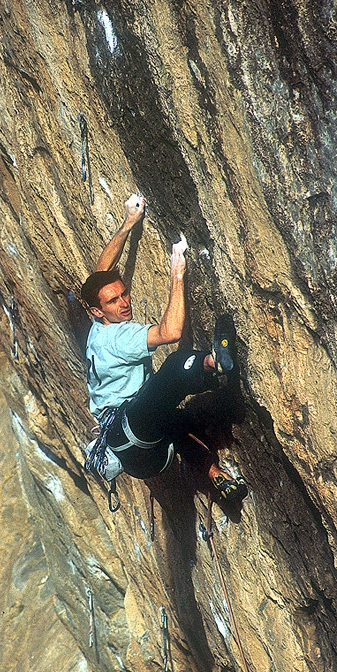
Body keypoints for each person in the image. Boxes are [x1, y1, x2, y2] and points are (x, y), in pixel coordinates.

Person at [81, 193, 247, 502]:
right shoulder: (120, 339)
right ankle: (213, 363)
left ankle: (216, 476)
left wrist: (129, 222)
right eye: (114, 301)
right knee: (172, 371)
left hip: (136, 451)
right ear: (98, 311)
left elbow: (101, 273)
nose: (124, 303)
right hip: (130, 430)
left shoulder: (98, 327)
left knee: (177, 421)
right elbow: (170, 333)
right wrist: (177, 271)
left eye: (124, 294)